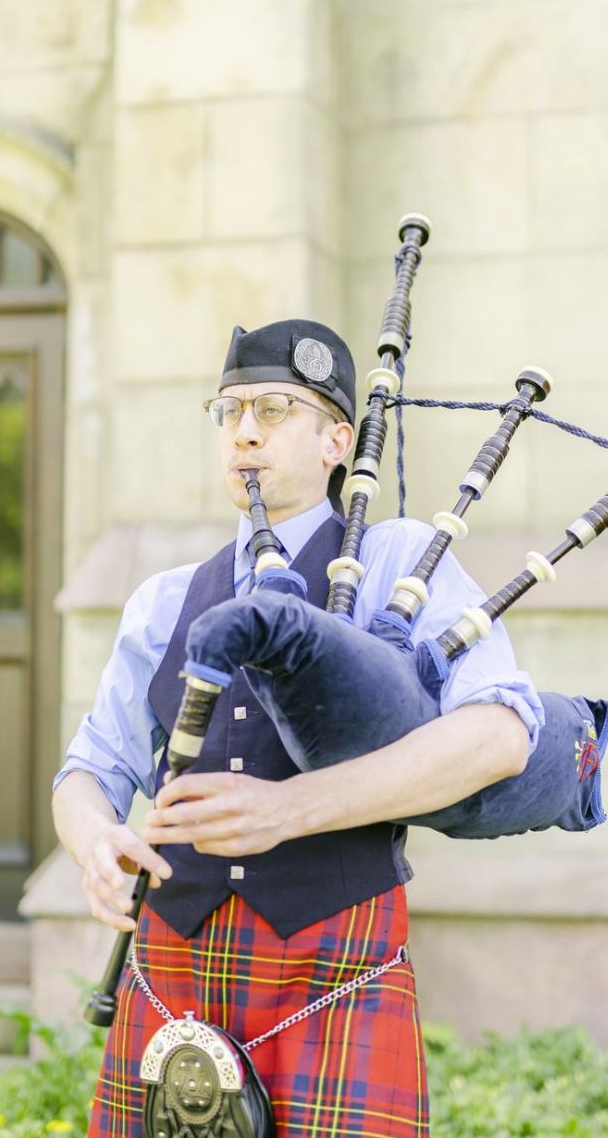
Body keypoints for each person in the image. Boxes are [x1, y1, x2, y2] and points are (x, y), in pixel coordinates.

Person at [52, 319, 543, 1138]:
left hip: (331, 963)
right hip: (171, 962)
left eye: (275, 408)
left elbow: (500, 734)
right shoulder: (167, 597)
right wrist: (94, 842)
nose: (244, 430)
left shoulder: (395, 563)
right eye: (229, 410)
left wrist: (290, 808)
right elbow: (89, 769)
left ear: (335, 441)